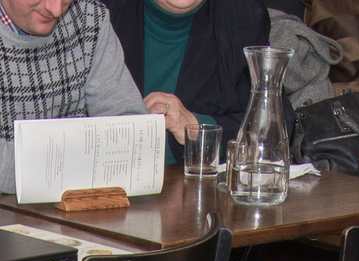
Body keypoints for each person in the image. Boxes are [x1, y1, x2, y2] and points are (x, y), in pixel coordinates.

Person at [0, 0, 146, 196]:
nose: (55, 9)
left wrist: (58, 166)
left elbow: (134, 140)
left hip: (72, 222)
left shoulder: (90, 18)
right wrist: (78, 163)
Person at [102, 0, 270, 152]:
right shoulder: (98, 13)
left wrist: (196, 127)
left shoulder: (242, 16)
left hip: (191, 176)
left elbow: (267, 123)